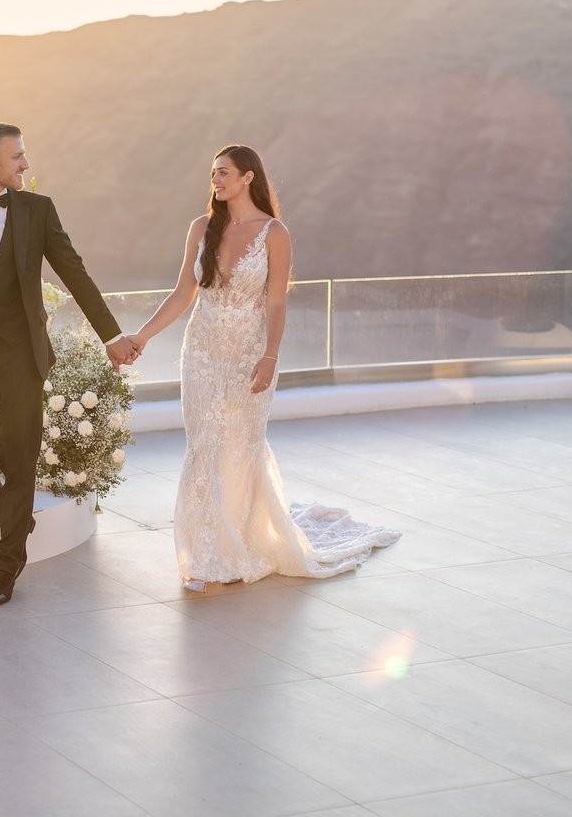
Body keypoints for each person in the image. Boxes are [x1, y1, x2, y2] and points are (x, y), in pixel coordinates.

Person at [131, 145, 398, 589]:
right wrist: (141, 336)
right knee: (204, 447)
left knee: (240, 446)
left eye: (223, 173)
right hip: (200, 352)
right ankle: (204, 555)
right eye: (212, 174)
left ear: (248, 177)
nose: (215, 181)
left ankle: (243, 543)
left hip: (249, 353)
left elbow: (275, 301)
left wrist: (270, 355)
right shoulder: (201, 227)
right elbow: (182, 294)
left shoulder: (274, 233)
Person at [0, 123, 139, 607]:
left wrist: (112, 335)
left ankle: (7, 563)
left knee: (19, 463)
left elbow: (73, 272)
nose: (26, 164)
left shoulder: (38, 211)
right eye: (18, 156)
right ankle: (16, 518)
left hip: (22, 358)